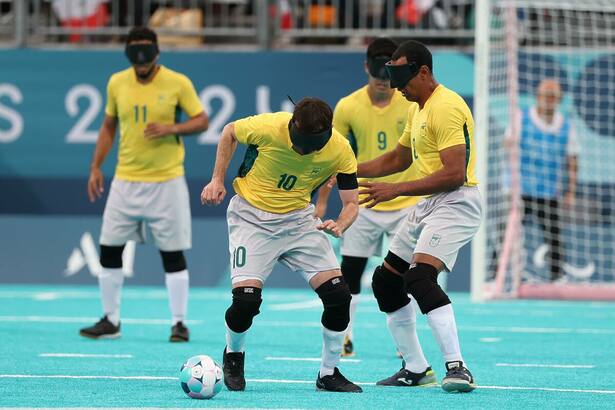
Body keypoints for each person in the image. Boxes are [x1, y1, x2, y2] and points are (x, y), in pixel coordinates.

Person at [201, 97, 362, 393]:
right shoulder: (268, 126)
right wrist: (216, 180)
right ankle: (233, 355)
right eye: (299, 142)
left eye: (311, 145)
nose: (303, 150)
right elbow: (229, 132)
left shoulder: (340, 149)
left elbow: (352, 202)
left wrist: (341, 223)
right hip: (251, 217)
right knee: (246, 302)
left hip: (299, 221)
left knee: (339, 296)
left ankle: (328, 373)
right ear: (292, 125)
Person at [357, 40, 481, 392]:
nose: (400, 91)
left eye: (404, 83)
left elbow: (454, 173)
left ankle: (457, 367)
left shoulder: (446, 107)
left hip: (457, 200)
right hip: (428, 202)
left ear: (423, 72)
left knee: (419, 279)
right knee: (385, 282)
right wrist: (348, 168)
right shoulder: (418, 107)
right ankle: (415, 367)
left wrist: (396, 190)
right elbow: (398, 158)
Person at [79, 27, 209, 342]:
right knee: (109, 249)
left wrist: (171, 128)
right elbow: (108, 126)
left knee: (172, 253)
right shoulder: (117, 82)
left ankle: (179, 323)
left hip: (167, 180)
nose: (141, 60)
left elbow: (202, 120)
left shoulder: (178, 82)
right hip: (125, 180)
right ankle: (110, 320)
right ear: (128, 55)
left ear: (156, 53)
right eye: (134, 52)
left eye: (145, 52)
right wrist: (96, 166)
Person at [315, 37, 421, 357]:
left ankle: (407, 349)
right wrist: (321, 202)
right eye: (377, 78)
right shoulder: (348, 106)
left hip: (405, 200)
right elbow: (332, 156)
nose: (383, 84)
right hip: (365, 200)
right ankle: (345, 336)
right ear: (366, 69)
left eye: (388, 78)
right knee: (351, 271)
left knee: (406, 276)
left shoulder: (411, 102)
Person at [511, 78, 578, 281]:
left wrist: (571, 192)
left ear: (559, 99)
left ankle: (557, 278)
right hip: (521, 189)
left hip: (549, 191)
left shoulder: (566, 126)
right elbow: (509, 149)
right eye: (545, 95)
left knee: (554, 236)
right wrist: (510, 184)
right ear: (537, 97)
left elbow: (572, 160)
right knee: (508, 233)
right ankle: (498, 274)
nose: (549, 99)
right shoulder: (521, 119)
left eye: (553, 96)